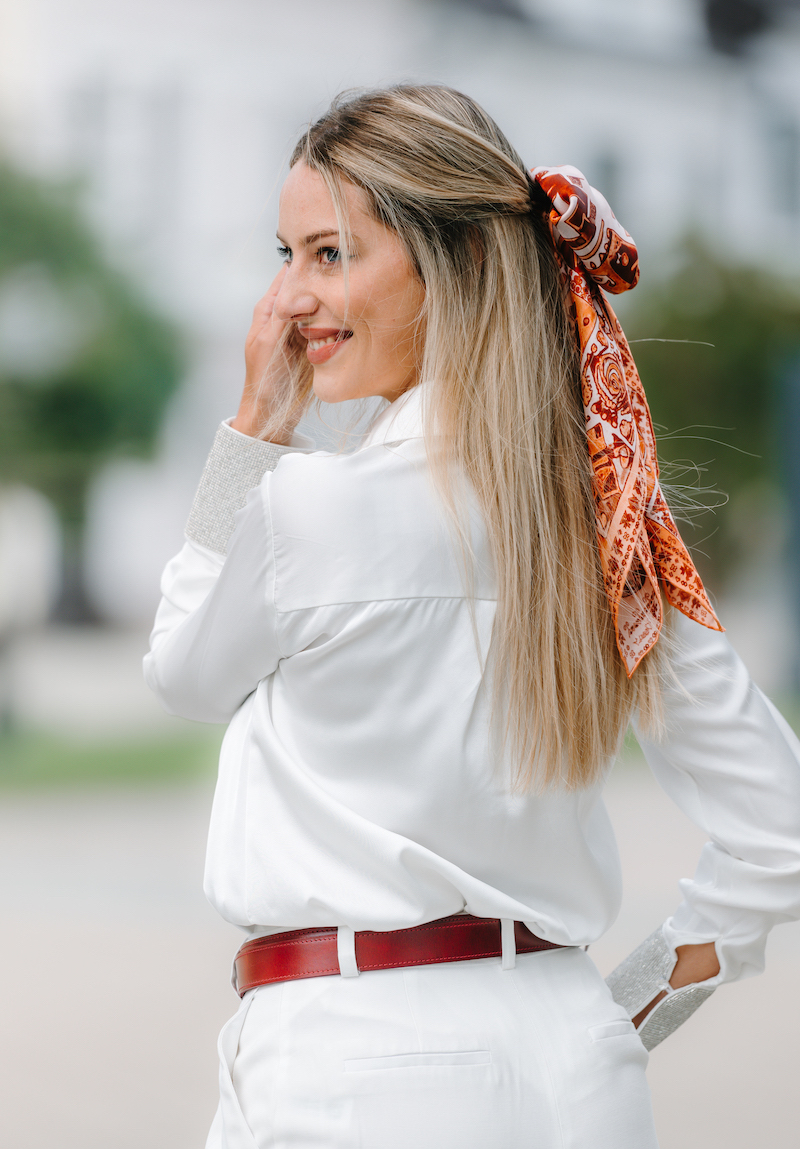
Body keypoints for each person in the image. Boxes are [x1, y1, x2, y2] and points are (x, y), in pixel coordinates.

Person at [144, 85, 800, 1149]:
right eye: (287, 255)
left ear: (449, 263)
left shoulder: (306, 507)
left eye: (329, 254)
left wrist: (252, 431)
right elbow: (780, 830)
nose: (287, 299)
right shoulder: (610, 520)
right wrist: (622, 1008)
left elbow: (181, 673)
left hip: (350, 1065)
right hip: (575, 1066)